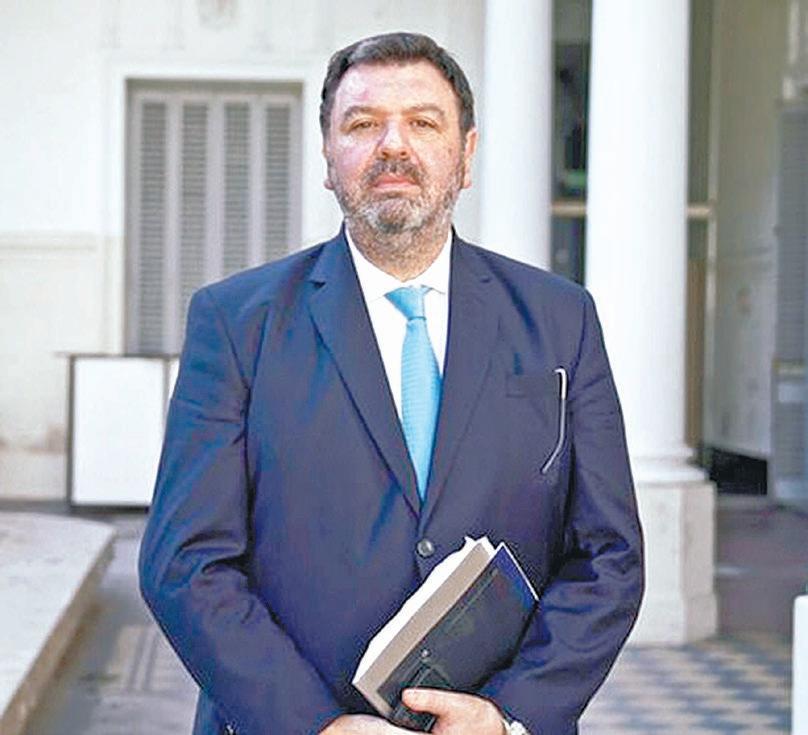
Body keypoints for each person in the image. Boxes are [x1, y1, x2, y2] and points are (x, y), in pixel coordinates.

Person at [139, 31, 644, 735]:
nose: (393, 146)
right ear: (328, 155)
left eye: (424, 122)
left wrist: (508, 714)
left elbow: (608, 556)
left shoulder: (562, 319)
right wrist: (316, 724)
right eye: (363, 124)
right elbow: (184, 562)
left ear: (466, 155)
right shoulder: (235, 323)